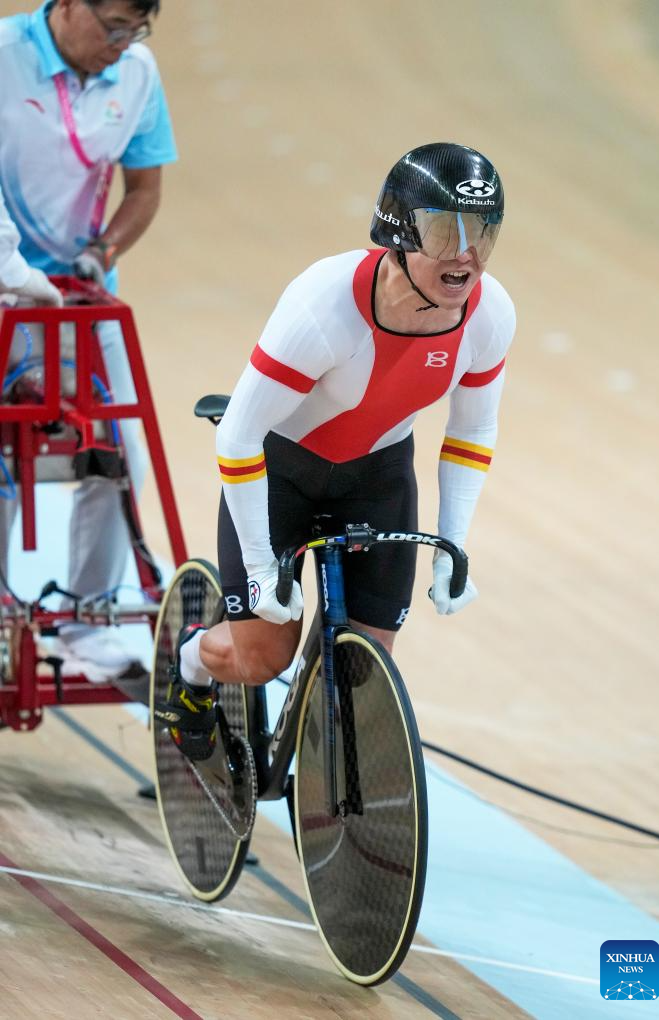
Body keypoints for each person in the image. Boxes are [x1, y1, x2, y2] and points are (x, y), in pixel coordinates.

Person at [165, 142, 516, 763]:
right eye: (446, 232)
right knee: (261, 658)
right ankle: (193, 661)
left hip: (378, 477)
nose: (466, 255)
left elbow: (472, 432)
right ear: (399, 232)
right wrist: (261, 567)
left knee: (362, 667)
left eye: (482, 233)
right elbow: (238, 436)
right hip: (282, 472)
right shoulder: (324, 304)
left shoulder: (490, 314)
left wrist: (452, 545)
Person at [0, 0, 177, 679]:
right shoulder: (5, 54)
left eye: (138, 28)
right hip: (3, 288)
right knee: (4, 452)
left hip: (79, 297)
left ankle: (86, 616)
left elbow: (145, 188)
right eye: (114, 26)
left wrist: (102, 251)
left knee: (120, 446)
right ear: (70, 4)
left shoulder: (137, 72)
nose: (124, 42)